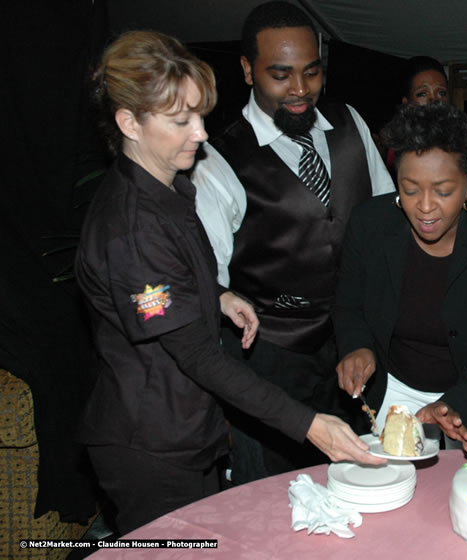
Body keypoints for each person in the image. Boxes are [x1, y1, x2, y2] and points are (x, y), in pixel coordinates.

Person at [76, 30, 384, 534]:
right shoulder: (132, 228)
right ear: (129, 122)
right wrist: (308, 424)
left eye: (200, 115)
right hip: (150, 442)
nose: (201, 134)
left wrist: (218, 295)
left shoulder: (167, 187)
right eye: (181, 121)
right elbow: (195, 355)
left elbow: (175, 277)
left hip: (188, 429)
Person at [192, 1, 394, 483]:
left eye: (312, 72)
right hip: (271, 360)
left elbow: (386, 223)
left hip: (357, 348)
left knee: (367, 479)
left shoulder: (350, 123)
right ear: (248, 70)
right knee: (280, 494)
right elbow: (208, 283)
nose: (301, 89)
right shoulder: (217, 159)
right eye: (281, 75)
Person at [333, 103, 467, 450]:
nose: (425, 206)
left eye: (443, 191)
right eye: (410, 189)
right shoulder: (368, 224)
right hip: (393, 388)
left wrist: (456, 403)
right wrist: (357, 346)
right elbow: (348, 305)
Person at [386, 56, 467, 173]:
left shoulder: (461, 143)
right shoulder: (399, 148)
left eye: (441, 93)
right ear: (407, 103)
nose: (434, 100)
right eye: (422, 94)